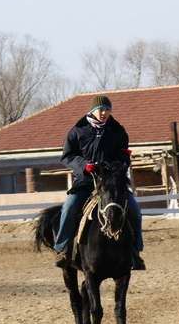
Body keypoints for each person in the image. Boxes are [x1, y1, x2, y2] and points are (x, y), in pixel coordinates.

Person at [53, 95, 145, 270]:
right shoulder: (77, 130)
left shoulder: (118, 130)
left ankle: (135, 252)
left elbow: (124, 155)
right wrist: (83, 166)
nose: (104, 113)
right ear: (92, 111)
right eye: (100, 110)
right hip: (85, 182)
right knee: (69, 207)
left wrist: (118, 166)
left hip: (111, 182)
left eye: (107, 110)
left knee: (134, 209)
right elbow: (67, 156)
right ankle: (62, 250)